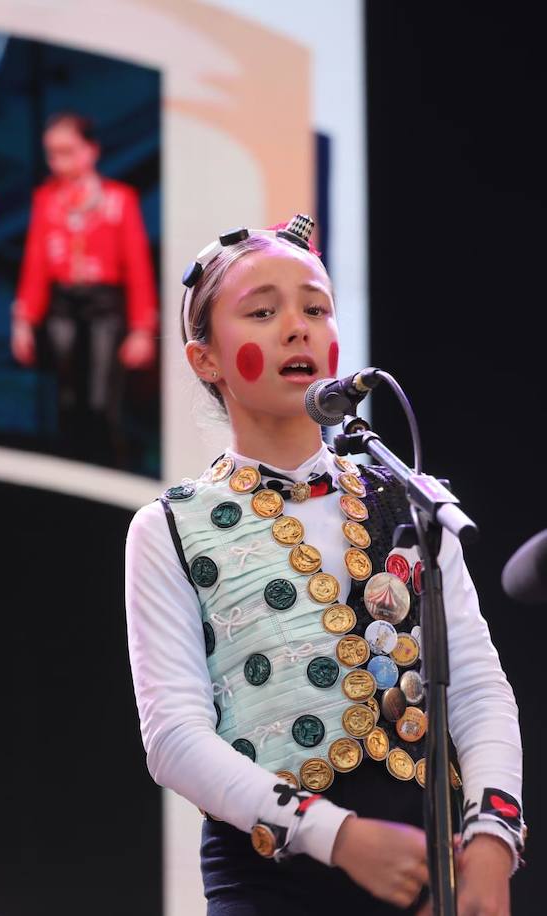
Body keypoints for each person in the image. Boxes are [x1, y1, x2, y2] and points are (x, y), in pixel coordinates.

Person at [124, 215, 525, 914]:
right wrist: (334, 835)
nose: (297, 328)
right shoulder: (170, 527)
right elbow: (174, 739)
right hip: (270, 881)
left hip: (430, 866)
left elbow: (478, 685)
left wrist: (493, 835)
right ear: (205, 360)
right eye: (262, 311)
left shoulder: (411, 501)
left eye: (315, 308)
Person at [11, 112, 157, 464]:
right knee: (66, 400)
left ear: (90, 151)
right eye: (52, 153)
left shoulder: (118, 199)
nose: (59, 161)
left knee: (100, 402)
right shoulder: (46, 199)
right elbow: (35, 263)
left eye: (68, 151)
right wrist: (23, 321)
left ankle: (109, 474)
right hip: (62, 305)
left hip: (104, 305)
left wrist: (142, 329)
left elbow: (137, 266)